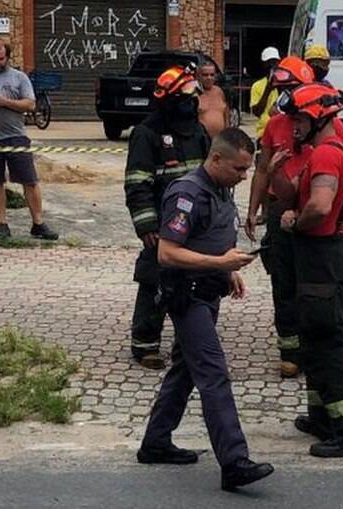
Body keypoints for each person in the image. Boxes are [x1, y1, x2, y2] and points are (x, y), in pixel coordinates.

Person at [138, 128, 274, 491]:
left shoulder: (220, 188)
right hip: (187, 295)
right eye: (239, 169)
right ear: (215, 159)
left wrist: (227, 270)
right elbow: (167, 252)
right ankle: (234, 462)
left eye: (247, 170)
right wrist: (218, 262)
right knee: (213, 374)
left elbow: (215, 234)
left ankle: (155, 442)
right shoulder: (186, 193)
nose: (244, 177)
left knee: (185, 369)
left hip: (209, 289)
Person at [278, 83, 343, 458]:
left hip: (324, 257)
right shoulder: (321, 153)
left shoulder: (328, 156)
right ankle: (322, 415)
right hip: (321, 257)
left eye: (298, 119)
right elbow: (290, 193)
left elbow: (318, 205)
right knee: (313, 339)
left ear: (318, 116)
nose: (293, 126)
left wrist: (294, 223)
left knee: (329, 344)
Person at [245, 56, 343, 378]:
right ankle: (290, 349)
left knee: (315, 284)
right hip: (280, 210)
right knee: (283, 282)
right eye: (281, 89)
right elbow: (263, 170)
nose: (285, 97)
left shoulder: (329, 128)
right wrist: (253, 210)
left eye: (291, 88)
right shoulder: (275, 126)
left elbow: (338, 176)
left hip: (313, 215)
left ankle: (320, 344)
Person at [124, 64, 211, 370]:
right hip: (162, 223)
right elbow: (137, 183)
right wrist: (146, 223)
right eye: (186, 96)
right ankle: (145, 343)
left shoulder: (198, 131)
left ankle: (189, 339)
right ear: (170, 99)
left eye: (193, 96)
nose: (192, 102)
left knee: (196, 280)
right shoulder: (147, 134)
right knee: (154, 280)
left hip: (196, 223)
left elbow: (210, 176)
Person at [0, 39, 59, 241]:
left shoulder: (19, 78)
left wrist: (4, 102)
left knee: (30, 181)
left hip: (16, 137)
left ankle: (38, 223)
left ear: (8, 57)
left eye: (0, 58)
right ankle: (2, 225)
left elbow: (31, 105)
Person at [250, 47, 282, 139]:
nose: (272, 65)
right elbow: (256, 112)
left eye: (274, 62)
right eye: (269, 62)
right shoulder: (257, 85)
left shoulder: (285, 84)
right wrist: (268, 89)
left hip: (281, 131)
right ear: (264, 64)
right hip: (263, 133)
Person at [197, 61, 230, 139]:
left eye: (212, 75)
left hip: (219, 141)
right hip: (201, 142)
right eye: (205, 75)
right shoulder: (194, 94)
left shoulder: (219, 91)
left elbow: (226, 112)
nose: (209, 78)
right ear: (198, 76)